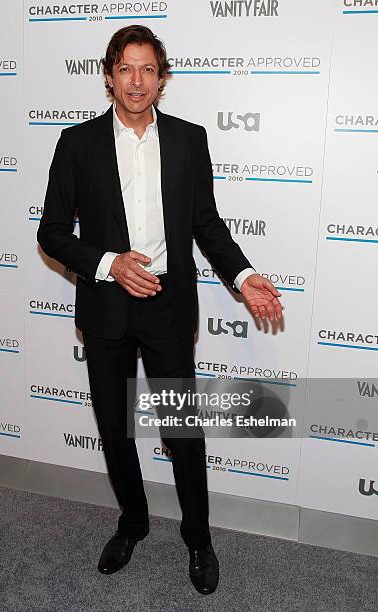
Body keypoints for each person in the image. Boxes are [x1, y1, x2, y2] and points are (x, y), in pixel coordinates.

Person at [37, 25, 282, 596]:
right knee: (116, 431)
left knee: (181, 429)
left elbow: (206, 225)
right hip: (105, 308)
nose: (137, 81)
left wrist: (244, 277)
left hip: (168, 308)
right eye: (126, 69)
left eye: (148, 69)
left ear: (162, 78)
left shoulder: (189, 140)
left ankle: (198, 538)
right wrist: (106, 263)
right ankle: (133, 523)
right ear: (108, 75)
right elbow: (51, 233)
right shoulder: (77, 143)